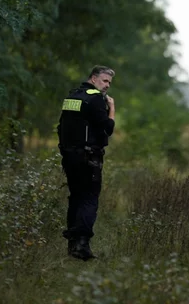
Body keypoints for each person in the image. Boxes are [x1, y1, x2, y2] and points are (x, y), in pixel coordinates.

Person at [57, 65, 116, 260]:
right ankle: (82, 245)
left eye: (109, 82)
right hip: (89, 157)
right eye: (104, 81)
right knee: (89, 199)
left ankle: (71, 245)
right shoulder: (96, 99)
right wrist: (112, 108)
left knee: (75, 198)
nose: (107, 85)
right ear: (93, 78)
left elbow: (61, 126)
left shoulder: (72, 97)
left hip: (69, 156)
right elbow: (107, 128)